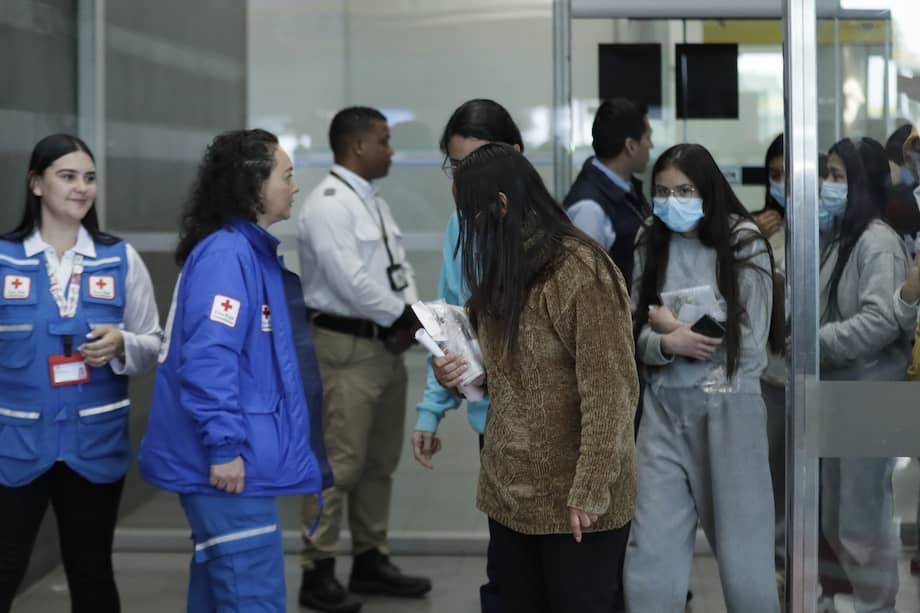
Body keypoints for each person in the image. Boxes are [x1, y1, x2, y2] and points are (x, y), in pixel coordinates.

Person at [435, 143, 639, 613]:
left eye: (469, 215)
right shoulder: (503, 270)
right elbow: (501, 373)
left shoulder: (581, 271)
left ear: (501, 205)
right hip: (511, 493)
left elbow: (611, 392)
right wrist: (456, 371)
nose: (465, 228)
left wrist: (589, 490)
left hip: (576, 500)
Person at [137, 129, 324, 612]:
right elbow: (208, 358)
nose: (295, 186)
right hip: (228, 467)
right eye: (286, 175)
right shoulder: (228, 255)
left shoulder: (245, 252)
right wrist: (224, 446)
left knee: (221, 596)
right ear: (253, 185)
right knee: (251, 598)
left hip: (236, 461)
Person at [0, 134, 161, 613]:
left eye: (88, 178)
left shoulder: (120, 258)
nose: (81, 188)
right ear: (36, 183)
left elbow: (153, 342)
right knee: (4, 567)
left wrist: (123, 345)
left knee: (91, 571)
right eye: (67, 177)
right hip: (14, 444)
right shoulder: (4, 258)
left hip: (93, 443)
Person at [624, 143, 782, 612]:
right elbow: (634, 328)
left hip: (730, 411)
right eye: (663, 191)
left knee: (745, 557)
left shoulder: (743, 240)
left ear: (708, 190)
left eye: (685, 190)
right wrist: (666, 343)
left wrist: (672, 324)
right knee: (650, 555)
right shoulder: (649, 238)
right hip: (663, 413)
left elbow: (750, 346)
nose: (673, 201)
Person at [297, 106, 431, 613]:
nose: (391, 151)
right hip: (346, 350)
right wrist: (405, 317)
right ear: (357, 146)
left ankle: (371, 559)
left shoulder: (369, 200)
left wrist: (405, 319)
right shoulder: (330, 204)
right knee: (337, 464)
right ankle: (318, 569)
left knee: (379, 462)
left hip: (382, 347)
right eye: (384, 141)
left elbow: (395, 270)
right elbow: (349, 282)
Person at [411, 98, 523, 613]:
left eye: (477, 163)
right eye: (457, 167)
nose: (466, 180)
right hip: (491, 421)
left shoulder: (545, 234)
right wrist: (433, 408)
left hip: (544, 422)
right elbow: (450, 324)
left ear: (514, 157)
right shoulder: (461, 228)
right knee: (507, 566)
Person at [815, 136, 909, 613]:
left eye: (837, 176)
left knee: (862, 520)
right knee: (837, 517)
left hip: (869, 397)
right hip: (841, 397)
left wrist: (817, 343)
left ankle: (876, 605)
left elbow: (882, 321)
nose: (826, 185)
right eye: (826, 174)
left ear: (862, 184)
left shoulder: (878, 243)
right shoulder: (841, 240)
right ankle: (859, 599)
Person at [563, 98, 653, 281]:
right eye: (648, 138)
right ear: (631, 146)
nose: (651, 145)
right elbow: (586, 285)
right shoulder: (589, 208)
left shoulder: (627, 187)